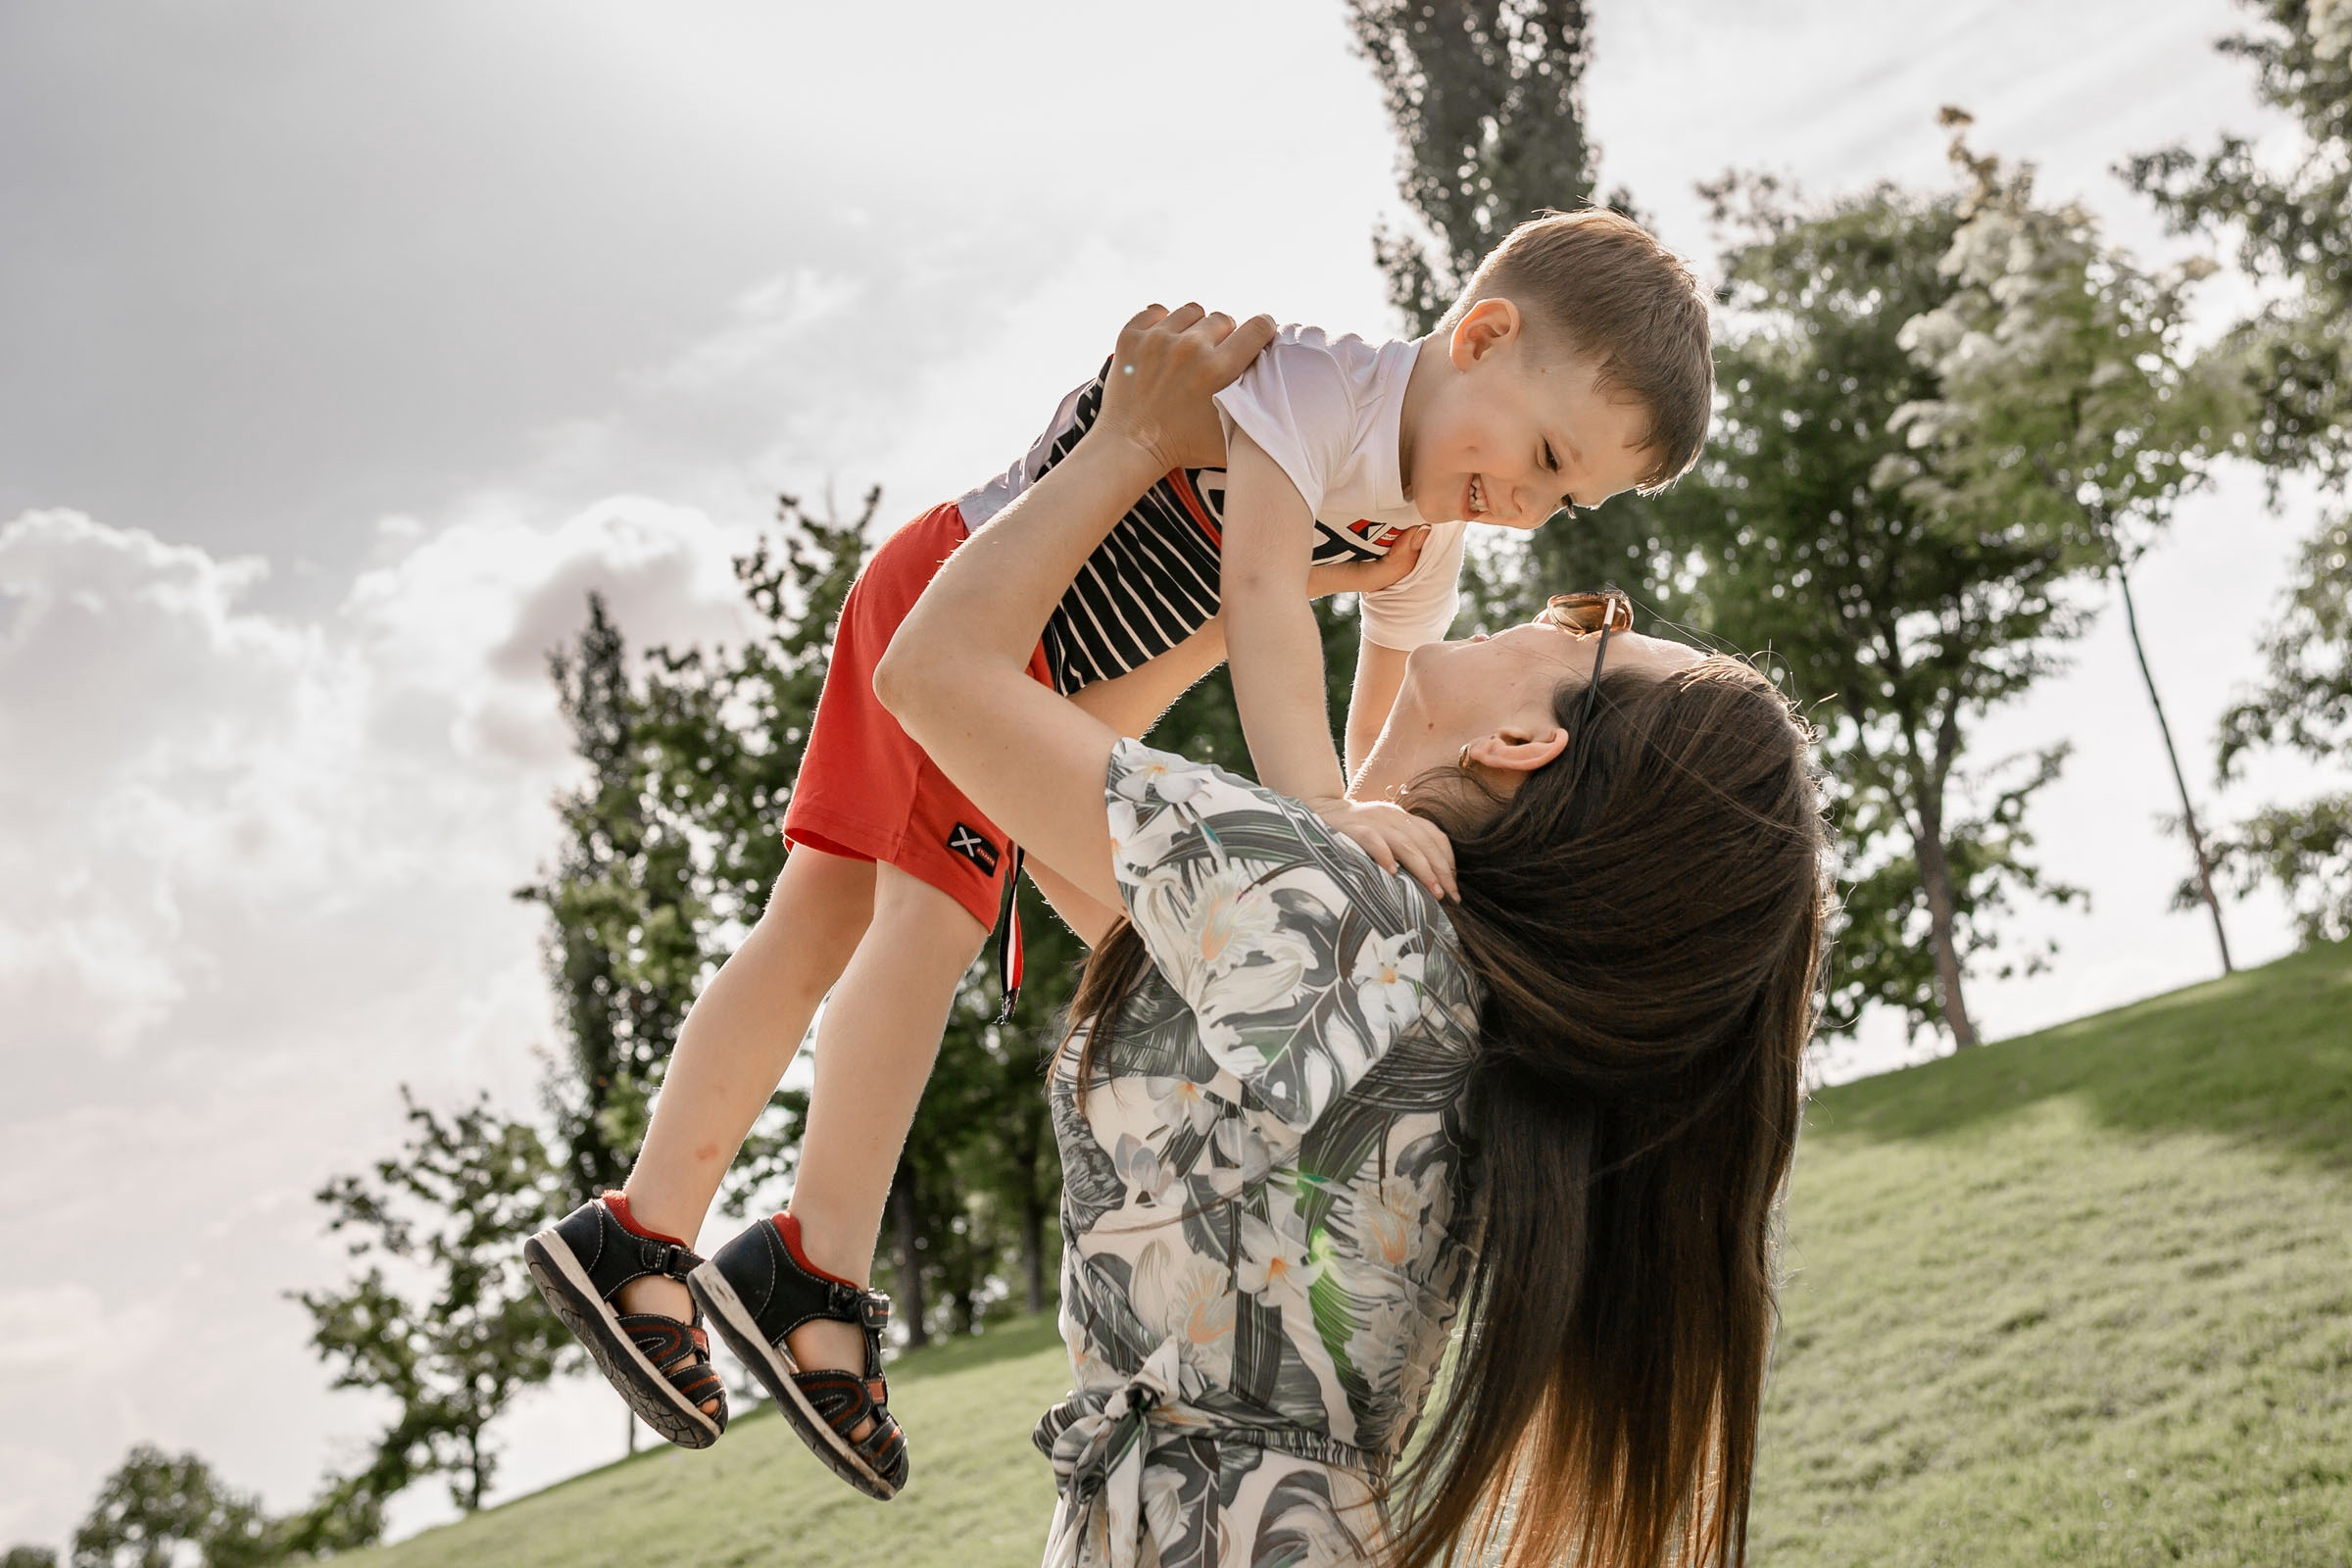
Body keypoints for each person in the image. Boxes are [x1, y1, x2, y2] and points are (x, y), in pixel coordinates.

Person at [525, 209, 1717, 1498]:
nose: (1531, 507)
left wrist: (1351, 837)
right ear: (1482, 336)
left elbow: (1382, 705)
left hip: (1041, 677)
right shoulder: (1319, 391)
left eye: (1566, 495)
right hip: (970, 601)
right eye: (1543, 454)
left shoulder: (1422, 535)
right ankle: (810, 1268)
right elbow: (1261, 597)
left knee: (821, 923)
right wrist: (1316, 801)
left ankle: (640, 1230)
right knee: (919, 925)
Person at [872, 306, 1831, 1567]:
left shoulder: (1326, 905)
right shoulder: (1423, 974)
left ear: (1531, 741)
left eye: (1590, 623)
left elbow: (933, 672)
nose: (1544, 603)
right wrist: (1272, 564)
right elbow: (1033, 788)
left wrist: (1129, 445)